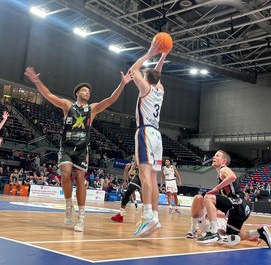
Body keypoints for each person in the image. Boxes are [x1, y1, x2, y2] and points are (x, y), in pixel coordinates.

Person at [24, 66, 131, 232]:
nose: (87, 92)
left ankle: (81, 217)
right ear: (77, 93)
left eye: (88, 91)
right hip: (66, 146)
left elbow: (110, 100)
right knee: (65, 174)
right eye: (84, 90)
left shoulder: (93, 108)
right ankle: (68, 204)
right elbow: (49, 95)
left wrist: (122, 84)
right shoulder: (68, 105)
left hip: (82, 149)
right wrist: (37, 81)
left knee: (80, 178)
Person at [195, 150, 271, 249]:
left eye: (217, 155)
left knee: (207, 197)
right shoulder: (220, 176)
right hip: (242, 208)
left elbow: (232, 176)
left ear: (223, 161)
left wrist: (215, 189)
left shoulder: (223, 169)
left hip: (239, 202)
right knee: (233, 235)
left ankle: (213, 233)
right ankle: (260, 232)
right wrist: (212, 212)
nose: (214, 157)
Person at [130, 38, 168, 237]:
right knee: (153, 178)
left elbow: (133, 70)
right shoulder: (160, 91)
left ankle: (147, 216)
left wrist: (150, 53)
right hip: (157, 136)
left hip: (144, 131)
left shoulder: (145, 88)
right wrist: (163, 55)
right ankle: (155, 217)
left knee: (144, 175)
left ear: (146, 79)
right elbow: (157, 75)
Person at [111, 156, 142, 223]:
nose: (134, 157)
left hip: (146, 177)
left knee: (143, 195)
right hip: (136, 177)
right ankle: (121, 214)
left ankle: (150, 215)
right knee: (129, 192)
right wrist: (125, 180)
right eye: (133, 157)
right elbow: (126, 172)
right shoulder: (129, 164)